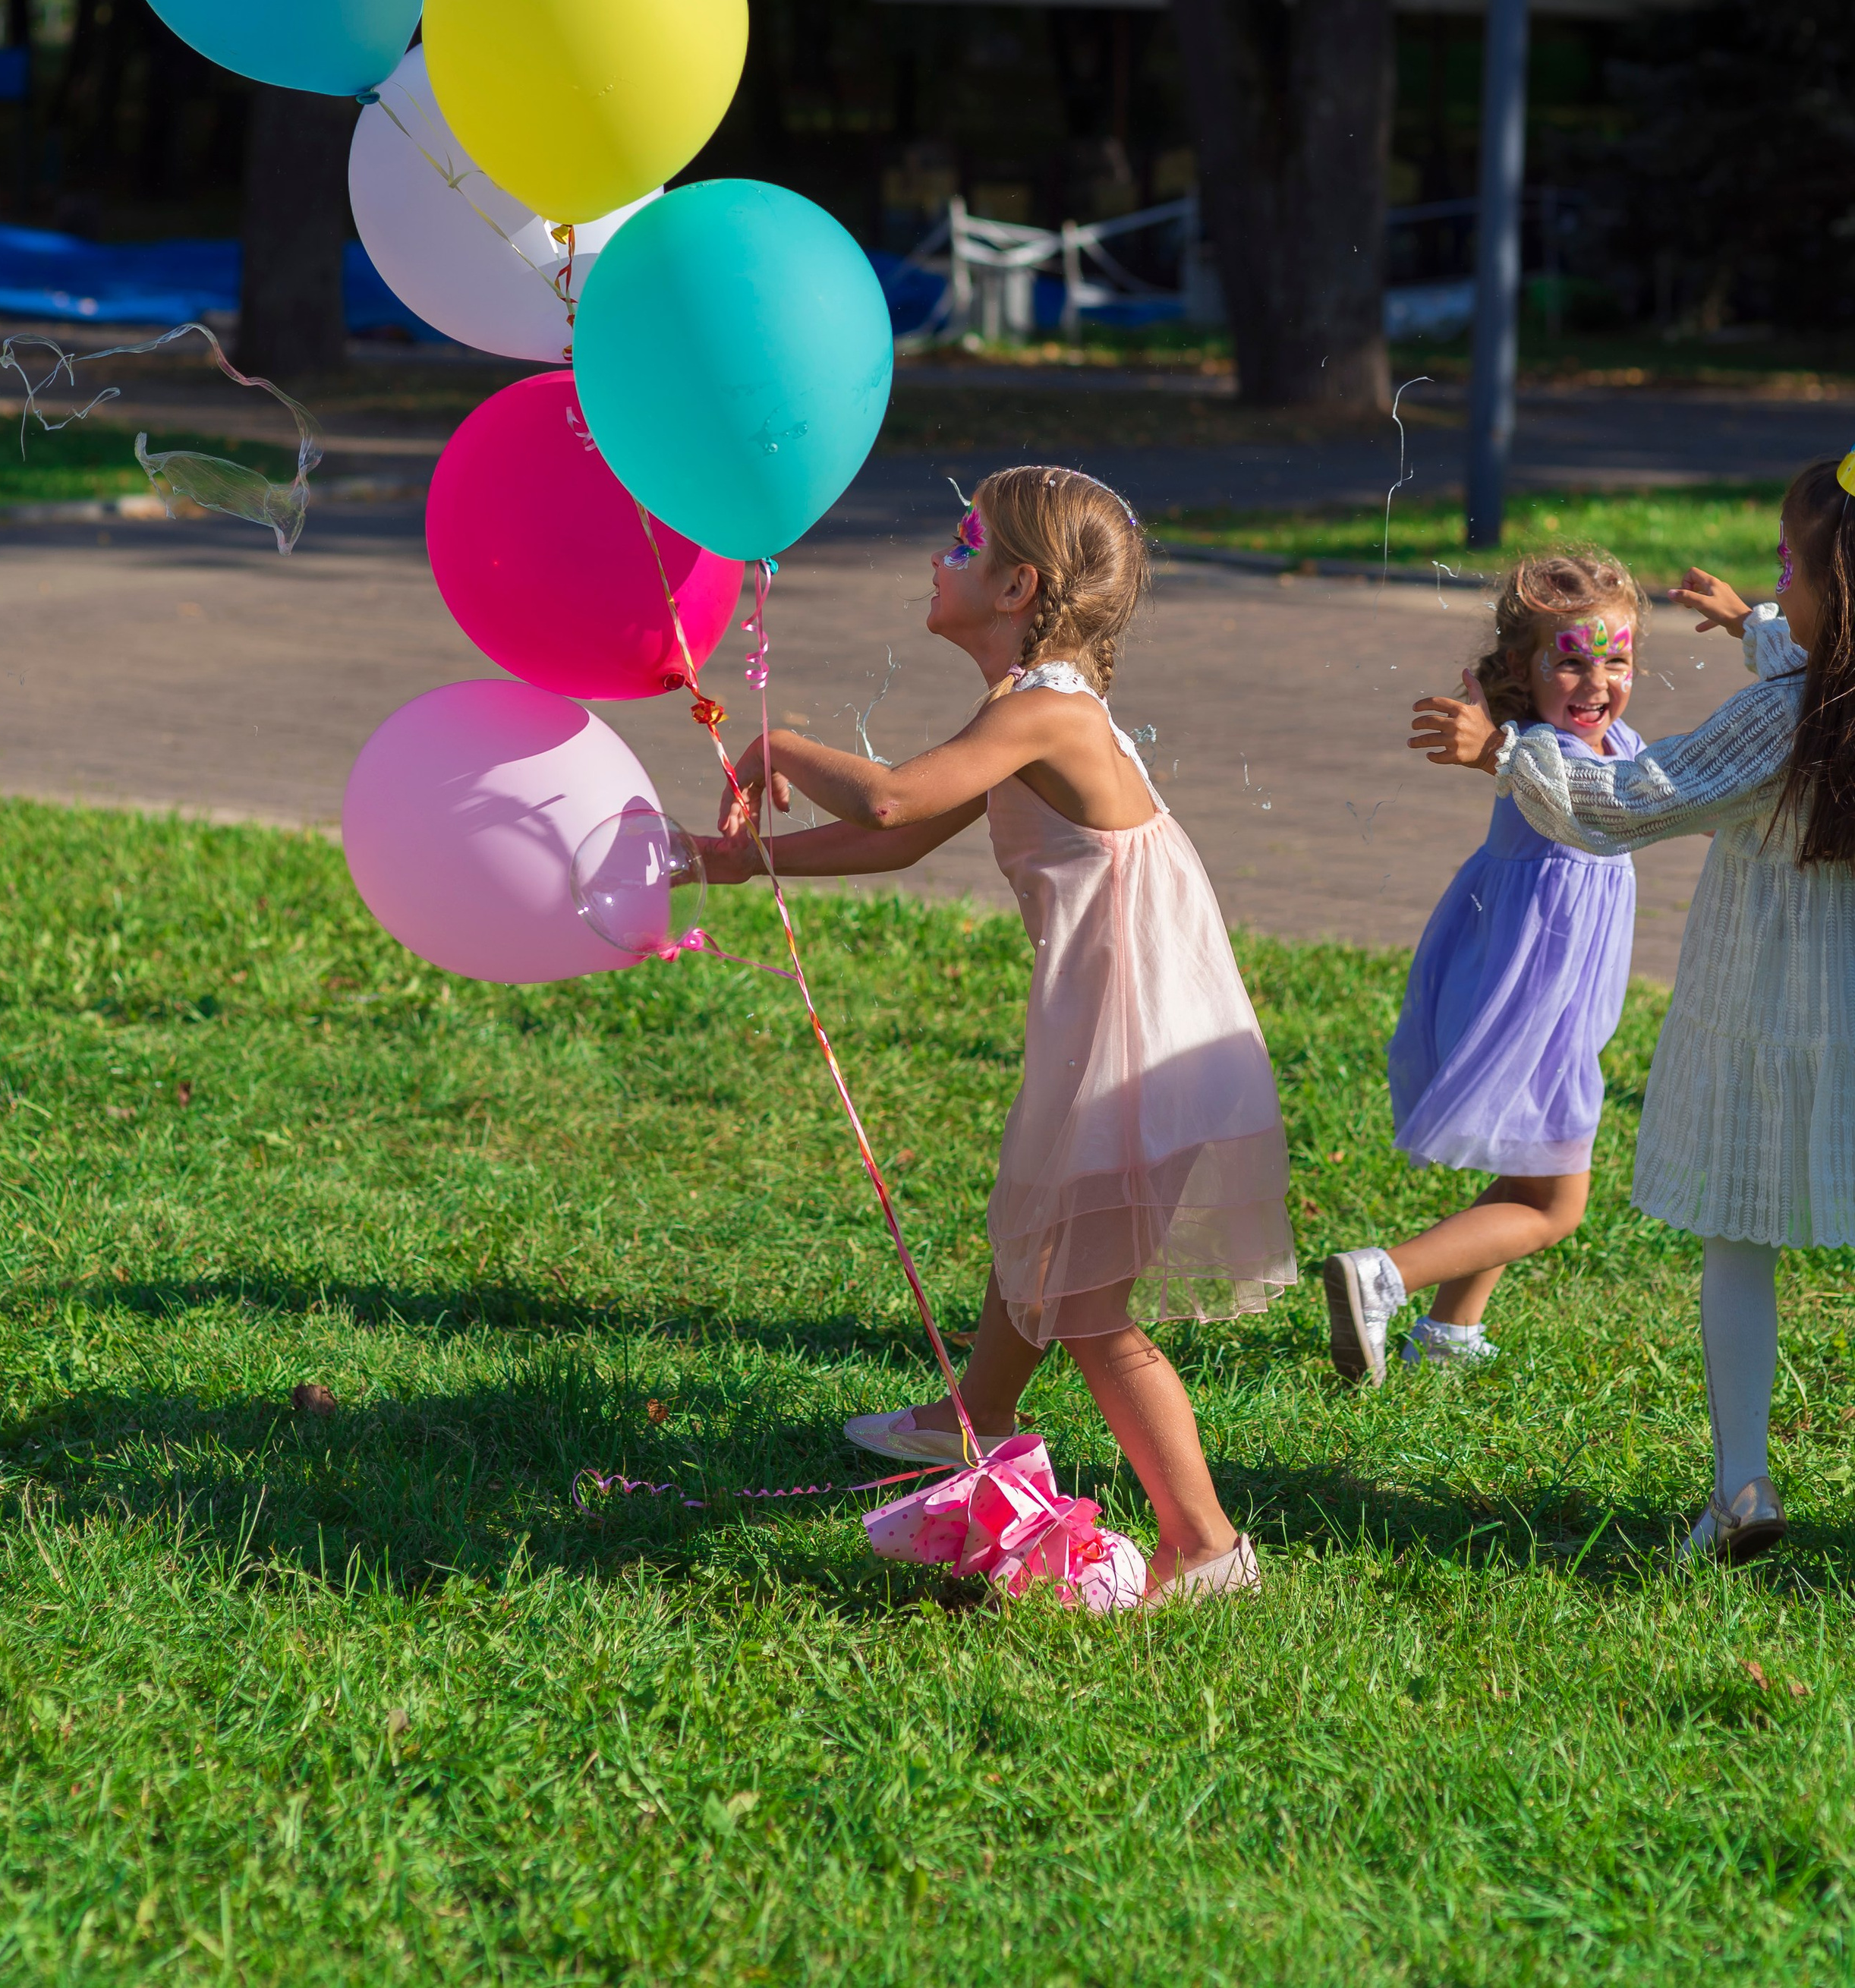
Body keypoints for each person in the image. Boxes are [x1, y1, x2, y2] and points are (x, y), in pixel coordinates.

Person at [698, 465, 1296, 1605]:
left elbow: (882, 801)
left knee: (1086, 1301)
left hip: (1143, 1034)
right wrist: (733, 858)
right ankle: (968, 1415)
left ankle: (1209, 1546)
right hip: (1127, 1018)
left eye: (962, 542)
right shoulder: (1034, 703)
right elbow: (897, 843)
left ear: (1016, 583)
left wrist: (780, 750)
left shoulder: (1047, 710)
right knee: (1049, 1232)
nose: (940, 556)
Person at [1406, 456, 1855, 1565]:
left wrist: (1504, 749)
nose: (1776, 584)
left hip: (1779, 1004)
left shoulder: (1784, 719)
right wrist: (1752, 618)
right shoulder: (1818, 681)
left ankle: (1741, 1483)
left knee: (1741, 1234)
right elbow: (1813, 646)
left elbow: (1626, 799)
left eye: (1787, 566)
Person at [1323, 552, 1647, 1388]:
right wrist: (1489, 750)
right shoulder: (1539, 750)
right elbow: (1548, 782)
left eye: (1616, 658)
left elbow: (1654, 792)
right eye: (1570, 659)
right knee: (1552, 1203)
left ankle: (1449, 1330)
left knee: (1524, 1168)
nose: (1595, 680)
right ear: (1519, 669)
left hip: (1540, 985)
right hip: (1536, 995)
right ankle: (1384, 1275)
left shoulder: (1612, 743)